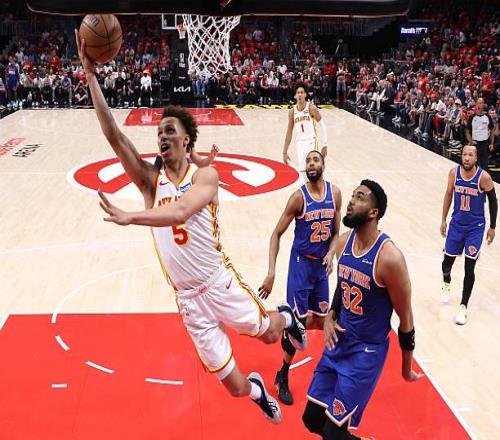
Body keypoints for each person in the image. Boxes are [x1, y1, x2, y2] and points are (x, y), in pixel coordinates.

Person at [75, 31, 306, 424]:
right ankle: (257, 390)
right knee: (234, 387)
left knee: (269, 333)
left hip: (218, 283)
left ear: (187, 140)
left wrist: (132, 217)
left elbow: (181, 211)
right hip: (188, 301)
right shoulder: (150, 183)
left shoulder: (206, 177)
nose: (162, 136)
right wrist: (91, 75)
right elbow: (114, 136)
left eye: (170, 131)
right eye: (159, 132)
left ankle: (288, 318)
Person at [302, 180, 423, 439]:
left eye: (360, 197)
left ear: (373, 212)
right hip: (339, 343)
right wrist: (330, 316)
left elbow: (406, 319)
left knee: (333, 434)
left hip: (365, 353)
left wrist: (406, 368)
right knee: (311, 419)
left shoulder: (389, 258)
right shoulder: (343, 243)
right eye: (353, 195)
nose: (351, 201)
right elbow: (342, 286)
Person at [259, 150, 341, 406]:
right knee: (301, 324)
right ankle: (282, 374)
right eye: (308, 161)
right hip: (301, 265)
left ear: (323, 164)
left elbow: (336, 233)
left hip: (321, 268)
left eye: (315, 160)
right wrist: (271, 272)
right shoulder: (298, 197)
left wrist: (331, 253)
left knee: (324, 320)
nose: (311, 163)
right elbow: (276, 234)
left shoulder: (335, 194)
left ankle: (287, 323)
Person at [440, 144, 497, 325]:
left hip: (475, 228)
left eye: (470, 155)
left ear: (476, 158)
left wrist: (492, 227)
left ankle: (463, 306)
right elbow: (448, 194)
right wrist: (443, 219)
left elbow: (493, 201)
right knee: (446, 264)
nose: (466, 158)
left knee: (469, 267)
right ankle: (446, 281)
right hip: (456, 225)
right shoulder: (453, 173)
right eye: (464, 154)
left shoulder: (484, 177)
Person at [283, 82, 328, 172]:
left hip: (311, 141)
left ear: (305, 94)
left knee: (313, 169)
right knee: (303, 171)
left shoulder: (311, 108)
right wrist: (284, 152)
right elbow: (289, 132)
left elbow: (322, 126)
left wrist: (325, 145)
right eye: (298, 93)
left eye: (301, 92)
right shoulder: (292, 112)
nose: (299, 95)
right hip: (300, 143)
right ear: (295, 95)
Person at [465, 97, 496, 170]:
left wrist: (492, 143)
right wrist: (470, 141)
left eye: (481, 103)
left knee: (484, 166)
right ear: (476, 105)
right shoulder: (472, 117)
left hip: (485, 143)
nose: (479, 105)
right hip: (475, 144)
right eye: (478, 103)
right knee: (473, 165)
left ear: (483, 105)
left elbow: (492, 130)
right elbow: (467, 131)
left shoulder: (487, 117)